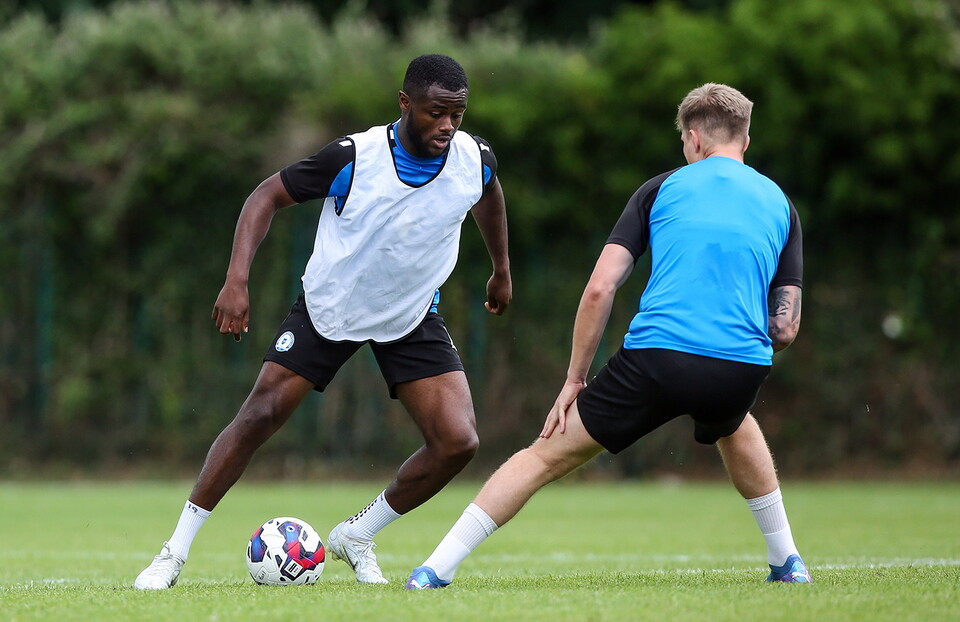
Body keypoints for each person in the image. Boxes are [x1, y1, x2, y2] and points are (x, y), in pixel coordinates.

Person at [405, 83, 811, 590]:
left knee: (543, 455)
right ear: (745, 142)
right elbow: (785, 326)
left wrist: (575, 380)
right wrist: (731, 352)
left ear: (692, 139)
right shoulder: (780, 203)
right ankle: (788, 561)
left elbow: (600, 289)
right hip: (741, 366)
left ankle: (433, 570)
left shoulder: (661, 189)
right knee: (734, 420)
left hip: (656, 360)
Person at [134, 54, 512, 589]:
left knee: (458, 442)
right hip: (330, 308)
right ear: (405, 104)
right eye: (435, 114)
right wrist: (236, 280)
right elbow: (265, 195)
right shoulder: (354, 159)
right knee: (258, 416)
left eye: (458, 114)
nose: (448, 127)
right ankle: (172, 554)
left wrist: (501, 268)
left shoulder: (475, 158)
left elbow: (489, 194)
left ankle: (357, 535)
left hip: (409, 314)